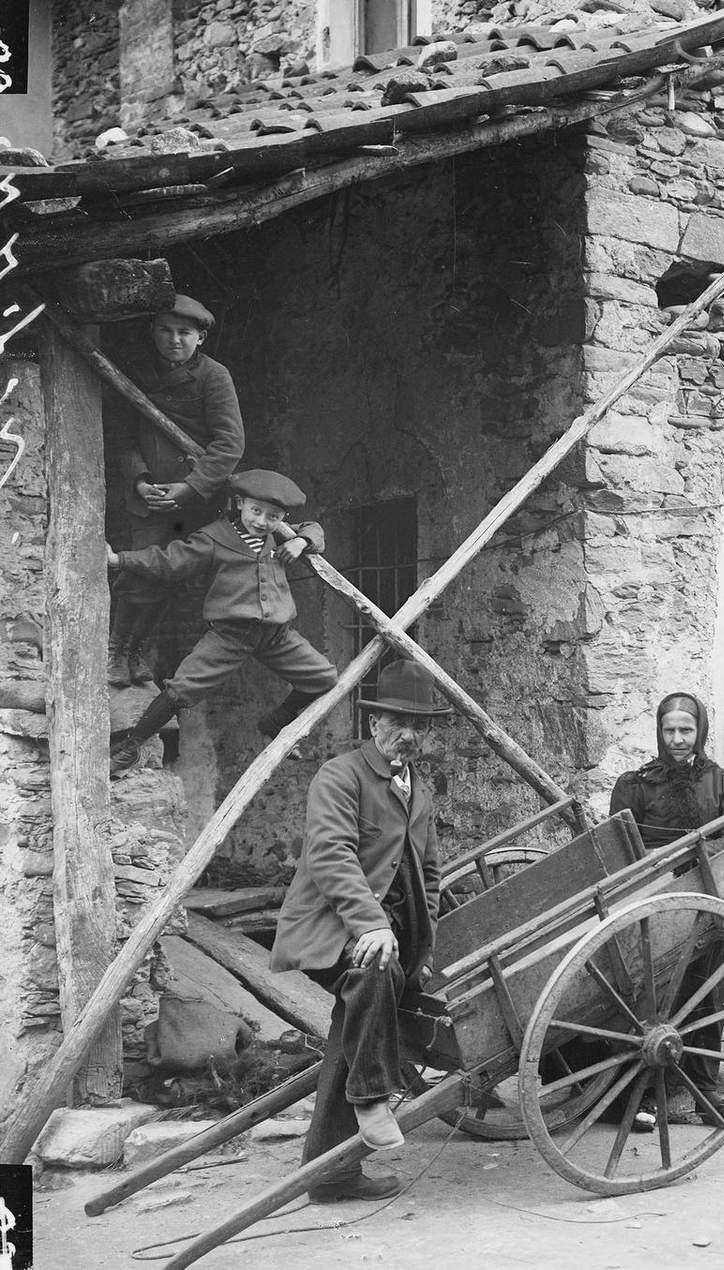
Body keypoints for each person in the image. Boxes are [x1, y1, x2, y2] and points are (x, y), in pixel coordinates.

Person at [271, 660, 451, 1202]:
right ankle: (372, 1094)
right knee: (373, 968)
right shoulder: (340, 775)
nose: (408, 734)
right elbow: (331, 856)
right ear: (374, 723)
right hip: (329, 928)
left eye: (420, 725)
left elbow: (432, 872)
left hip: (391, 936)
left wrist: (424, 941)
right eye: (398, 720)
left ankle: (331, 1175)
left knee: (355, 1020)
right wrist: (373, 926)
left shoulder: (418, 790)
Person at [105, 469, 339, 777]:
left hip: (276, 635)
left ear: (282, 517)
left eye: (273, 516)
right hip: (230, 636)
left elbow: (315, 528)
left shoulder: (280, 536)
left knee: (324, 678)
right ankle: (131, 746)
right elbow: (169, 560)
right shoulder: (214, 538)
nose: (261, 521)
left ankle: (275, 721)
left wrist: (301, 541)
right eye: (256, 511)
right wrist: (120, 560)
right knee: (180, 691)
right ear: (240, 503)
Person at [609, 691, 724, 1122]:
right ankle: (648, 1092)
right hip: (653, 907)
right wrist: (660, 869)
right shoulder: (635, 784)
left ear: (700, 731)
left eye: (686, 730)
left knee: (710, 994)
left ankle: (705, 1089)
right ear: (659, 732)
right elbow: (618, 849)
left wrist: (691, 855)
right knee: (651, 999)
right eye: (669, 730)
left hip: (709, 902)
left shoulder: (722, 781)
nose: (677, 739)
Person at [106, 294, 246, 687]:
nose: (174, 340)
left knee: (172, 576)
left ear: (200, 337)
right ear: (152, 331)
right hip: (148, 496)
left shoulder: (214, 376)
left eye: (185, 333)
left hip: (191, 502)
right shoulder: (134, 373)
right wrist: (138, 480)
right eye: (165, 331)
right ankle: (116, 653)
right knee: (138, 571)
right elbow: (121, 437)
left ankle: (138, 650)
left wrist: (188, 488)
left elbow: (229, 444)